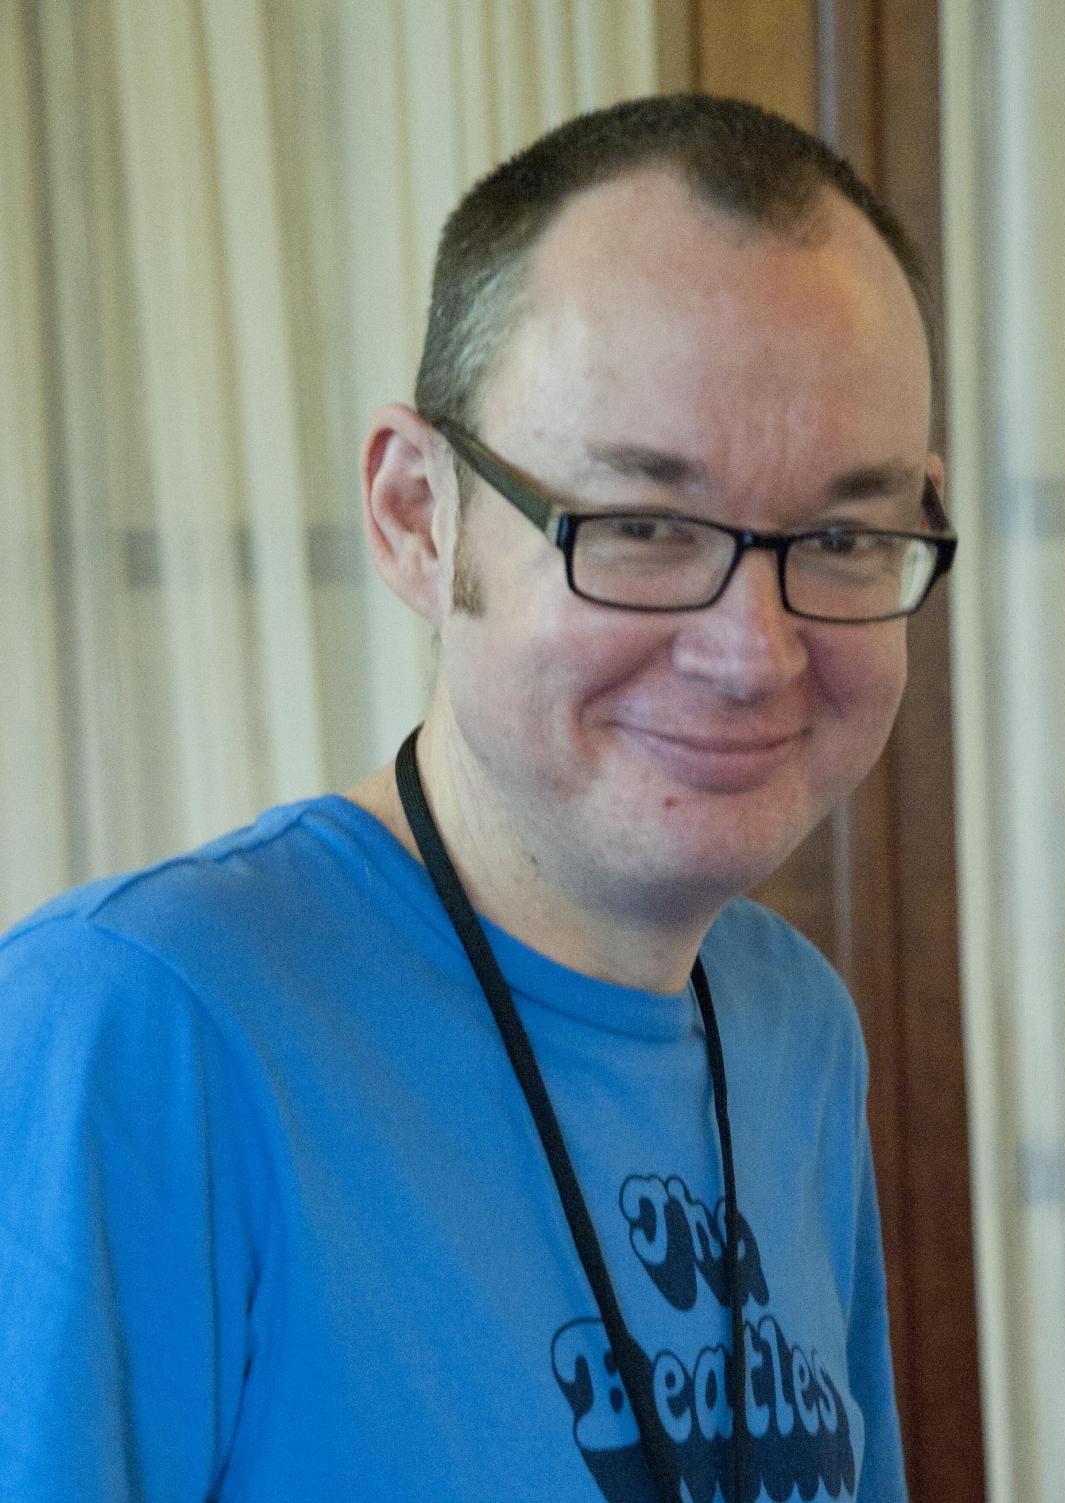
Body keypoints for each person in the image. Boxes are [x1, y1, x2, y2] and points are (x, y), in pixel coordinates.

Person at [0, 95, 953, 1503]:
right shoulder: (133, 1031)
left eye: (841, 537)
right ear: (416, 515)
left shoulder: (791, 1024)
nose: (755, 651)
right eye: (640, 527)